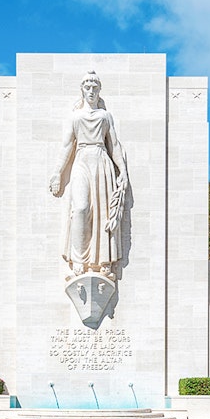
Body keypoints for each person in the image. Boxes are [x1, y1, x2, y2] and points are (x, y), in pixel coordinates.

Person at [49, 71, 129, 280]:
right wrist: (57, 173)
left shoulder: (105, 116)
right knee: (81, 208)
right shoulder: (75, 117)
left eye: (95, 87)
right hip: (81, 160)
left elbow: (115, 145)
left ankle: (104, 260)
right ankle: (78, 259)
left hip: (101, 161)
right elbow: (67, 146)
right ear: (82, 89)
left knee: (103, 212)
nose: (91, 91)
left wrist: (123, 171)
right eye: (87, 87)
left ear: (99, 90)